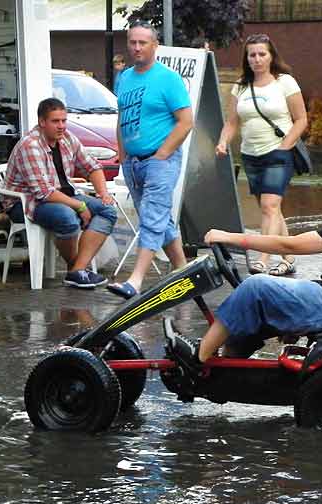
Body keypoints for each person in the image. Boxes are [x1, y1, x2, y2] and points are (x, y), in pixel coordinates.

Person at [166, 161, 322, 371]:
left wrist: (229, 237)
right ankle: (227, 366)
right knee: (260, 302)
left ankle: (197, 360)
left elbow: (291, 245)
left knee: (254, 287)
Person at [108, 21, 193, 300]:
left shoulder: (168, 79)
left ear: (154, 45)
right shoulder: (125, 77)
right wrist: (122, 152)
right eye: (132, 42)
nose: (136, 48)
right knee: (161, 219)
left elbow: (186, 121)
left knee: (151, 216)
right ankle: (183, 273)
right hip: (132, 162)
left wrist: (163, 153)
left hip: (160, 160)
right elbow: (122, 117)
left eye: (143, 43)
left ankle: (136, 280)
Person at [215, 33, 308, 277]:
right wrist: (224, 141)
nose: (257, 59)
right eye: (252, 55)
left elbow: (301, 119)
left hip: (278, 152)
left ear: (271, 56)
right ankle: (288, 259)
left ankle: (262, 259)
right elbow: (232, 121)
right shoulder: (241, 86)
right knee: (272, 210)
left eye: (262, 54)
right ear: (247, 58)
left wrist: (285, 146)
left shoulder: (285, 82)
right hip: (251, 155)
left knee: (269, 205)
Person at [3, 97, 117, 288]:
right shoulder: (30, 145)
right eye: (55, 121)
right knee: (67, 216)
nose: (62, 126)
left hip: (63, 196)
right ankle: (77, 270)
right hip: (26, 203)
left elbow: (93, 167)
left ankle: (77, 270)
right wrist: (80, 205)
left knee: (107, 210)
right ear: (42, 122)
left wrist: (102, 193)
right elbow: (44, 193)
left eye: (64, 120)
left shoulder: (67, 139)